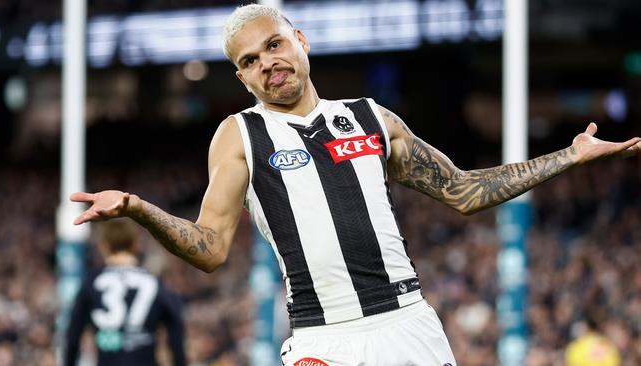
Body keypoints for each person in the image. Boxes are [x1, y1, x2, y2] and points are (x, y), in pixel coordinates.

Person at [70, 4, 641, 365]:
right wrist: (139, 208)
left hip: (406, 324)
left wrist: (570, 156)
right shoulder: (239, 134)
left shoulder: (371, 118)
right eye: (250, 59)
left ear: (300, 40)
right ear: (241, 77)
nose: (268, 62)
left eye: (274, 44)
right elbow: (211, 248)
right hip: (323, 338)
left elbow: (464, 191)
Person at [64, 219, 186, 366]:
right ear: (135, 244)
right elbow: (176, 330)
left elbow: (72, 339)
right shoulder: (155, 283)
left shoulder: (91, 283)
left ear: (104, 246)